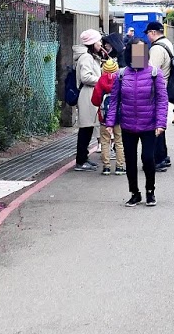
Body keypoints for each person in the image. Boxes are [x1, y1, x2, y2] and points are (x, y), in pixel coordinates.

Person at [104, 42, 166, 206]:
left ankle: (150, 191)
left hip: (149, 125)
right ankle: (134, 193)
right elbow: (114, 100)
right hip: (128, 125)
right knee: (130, 160)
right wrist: (110, 122)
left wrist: (161, 123)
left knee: (147, 158)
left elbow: (162, 100)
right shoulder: (121, 74)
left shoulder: (155, 73)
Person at [71, 29, 105, 171]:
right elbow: (86, 77)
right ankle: (80, 161)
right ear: (92, 43)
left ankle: (84, 158)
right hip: (88, 94)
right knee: (85, 129)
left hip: (91, 93)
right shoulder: (86, 57)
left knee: (89, 127)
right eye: (98, 41)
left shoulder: (91, 56)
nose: (101, 43)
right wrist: (102, 81)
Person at [144, 21, 174, 171]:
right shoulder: (168, 43)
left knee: (154, 125)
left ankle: (158, 159)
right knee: (159, 123)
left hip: (156, 90)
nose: (148, 37)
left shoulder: (157, 48)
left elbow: (151, 71)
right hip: (165, 88)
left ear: (152, 32)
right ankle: (163, 156)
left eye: (148, 34)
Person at [91, 57, 125, 177]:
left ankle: (106, 167)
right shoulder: (120, 80)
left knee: (105, 141)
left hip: (104, 117)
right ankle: (120, 167)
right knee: (119, 141)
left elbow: (95, 100)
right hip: (119, 117)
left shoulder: (100, 81)